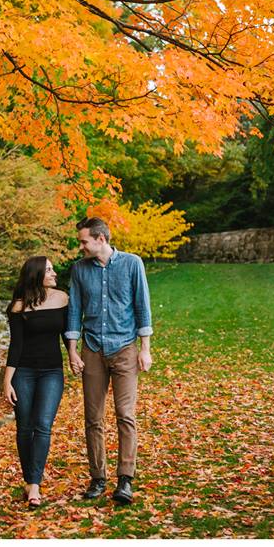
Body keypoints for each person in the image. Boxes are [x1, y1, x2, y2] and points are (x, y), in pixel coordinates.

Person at [65, 216, 153, 505]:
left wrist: (145, 348)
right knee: (93, 418)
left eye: (84, 241)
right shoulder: (79, 270)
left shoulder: (132, 264)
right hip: (91, 349)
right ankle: (97, 477)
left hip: (125, 348)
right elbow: (74, 310)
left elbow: (142, 306)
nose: (80, 246)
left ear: (100, 239)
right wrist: (73, 351)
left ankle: (125, 479)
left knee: (125, 415)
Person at [1, 256, 70, 508]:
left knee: (43, 425)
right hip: (24, 373)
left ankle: (34, 485)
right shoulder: (18, 307)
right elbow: (15, 346)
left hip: (52, 371)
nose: (54, 273)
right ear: (36, 274)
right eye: (49, 270)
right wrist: (7, 382)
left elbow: (67, 334)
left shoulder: (63, 299)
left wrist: (73, 355)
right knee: (24, 427)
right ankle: (30, 481)